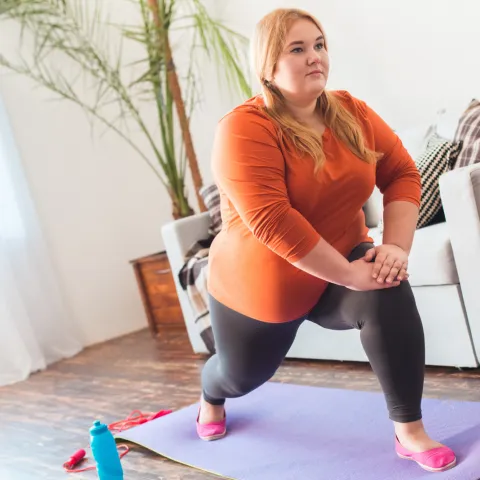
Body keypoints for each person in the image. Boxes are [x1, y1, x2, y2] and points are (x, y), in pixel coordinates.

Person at [196, 7, 456, 473]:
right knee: (239, 378)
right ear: (268, 67)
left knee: (386, 284)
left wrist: (394, 248)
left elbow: (400, 172)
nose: (315, 56)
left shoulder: (350, 111)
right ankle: (210, 395)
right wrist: (350, 275)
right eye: (297, 49)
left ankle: (409, 431)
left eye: (319, 45)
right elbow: (272, 219)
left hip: (341, 265)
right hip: (262, 291)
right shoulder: (243, 128)